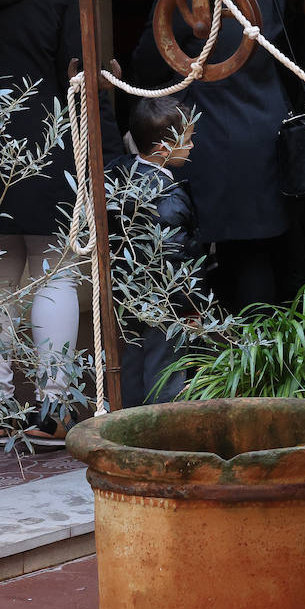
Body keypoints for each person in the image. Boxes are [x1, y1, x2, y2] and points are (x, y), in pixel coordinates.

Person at [131, 0, 292, 313]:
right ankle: (263, 368)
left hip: (205, 133)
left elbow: (147, 61)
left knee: (196, 257)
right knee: (255, 254)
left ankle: (211, 368)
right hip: (263, 126)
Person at [0, 0, 120, 445]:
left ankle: (1, 399)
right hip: (46, 145)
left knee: (1, 274)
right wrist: (109, 150)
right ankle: (52, 405)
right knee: (53, 269)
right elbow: (81, 80)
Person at [105, 96, 204, 406]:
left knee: (133, 357)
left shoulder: (120, 174)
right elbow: (174, 258)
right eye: (187, 140)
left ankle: (129, 418)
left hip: (126, 290)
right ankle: (163, 426)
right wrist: (188, 305)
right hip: (165, 299)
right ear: (164, 149)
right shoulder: (168, 199)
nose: (192, 145)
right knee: (166, 365)